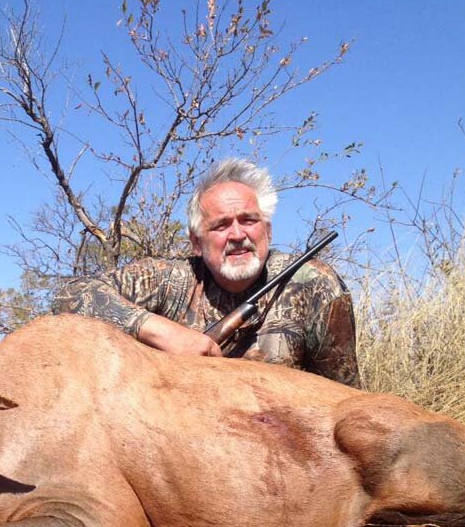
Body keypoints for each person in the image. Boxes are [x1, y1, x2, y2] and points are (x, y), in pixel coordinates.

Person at [52, 158, 360, 386]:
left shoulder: (315, 283)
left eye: (249, 220)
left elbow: (343, 395)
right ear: (196, 242)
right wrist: (163, 333)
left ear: (268, 230)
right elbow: (70, 295)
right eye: (221, 225)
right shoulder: (171, 279)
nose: (238, 234)